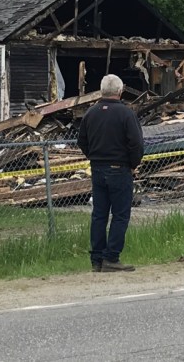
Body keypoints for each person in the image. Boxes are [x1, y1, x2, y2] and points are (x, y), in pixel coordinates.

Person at [77, 74, 144, 272]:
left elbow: (82, 140)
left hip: (97, 168)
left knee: (99, 214)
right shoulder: (126, 114)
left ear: (102, 90)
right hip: (119, 169)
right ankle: (111, 257)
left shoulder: (91, 113)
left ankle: (96, 258)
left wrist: (93, 156)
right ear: (120, 91)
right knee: (120, 215)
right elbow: (137, 143)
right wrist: (134, 164)